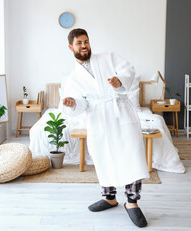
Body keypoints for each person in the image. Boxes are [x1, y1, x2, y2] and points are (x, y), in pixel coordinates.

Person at [62, 28, 150, 228]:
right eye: (79, 43)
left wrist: (120, 81)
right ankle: (110, 198)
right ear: (70, 47)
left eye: (86, 41)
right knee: (103, 157)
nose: (84, 46)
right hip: (98, 118)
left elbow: (129, 70)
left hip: (120, 112)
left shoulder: (108, 58)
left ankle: (132, 202)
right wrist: (72, 103)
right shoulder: (73, 77)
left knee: (131, 155)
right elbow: (80, 104)